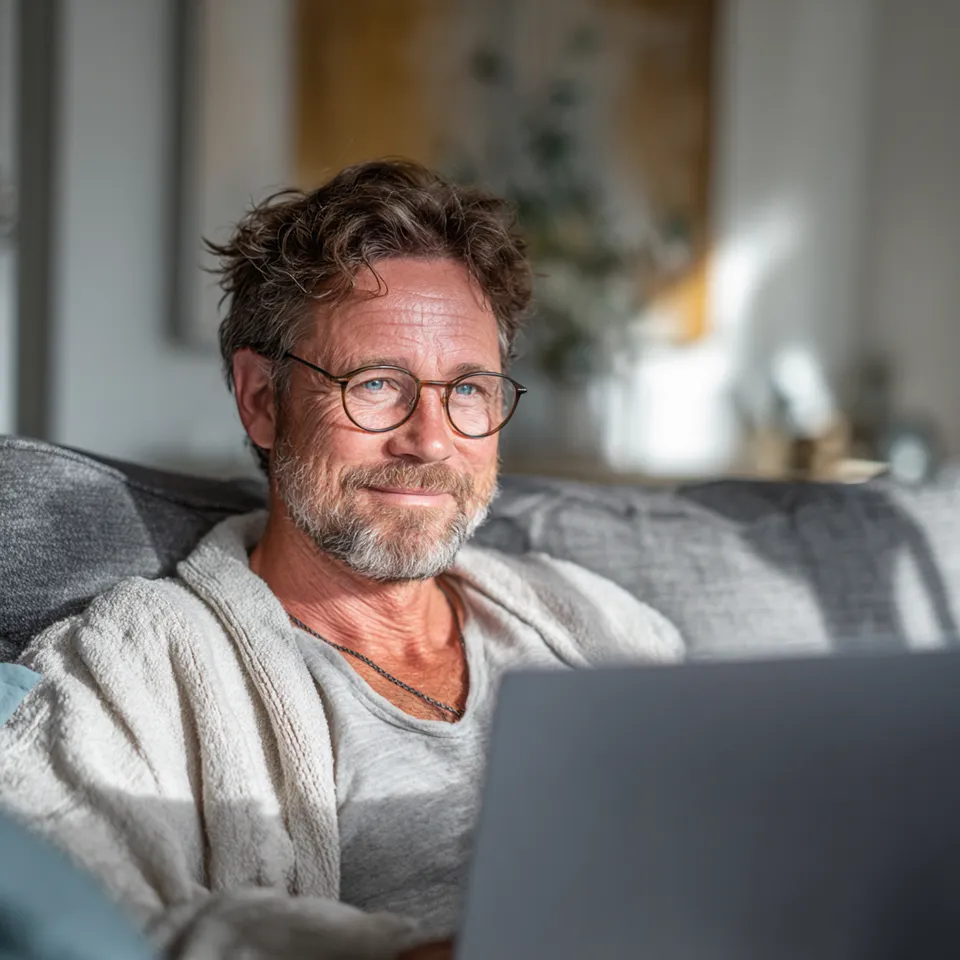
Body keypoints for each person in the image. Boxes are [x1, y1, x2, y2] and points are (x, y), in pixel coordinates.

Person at [0, 160, 683, 960]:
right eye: (377, 383)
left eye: (468, 390)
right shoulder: (138, 666)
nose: (430, 440)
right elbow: (92, 909)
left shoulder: (601, 625)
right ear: (262, 400)